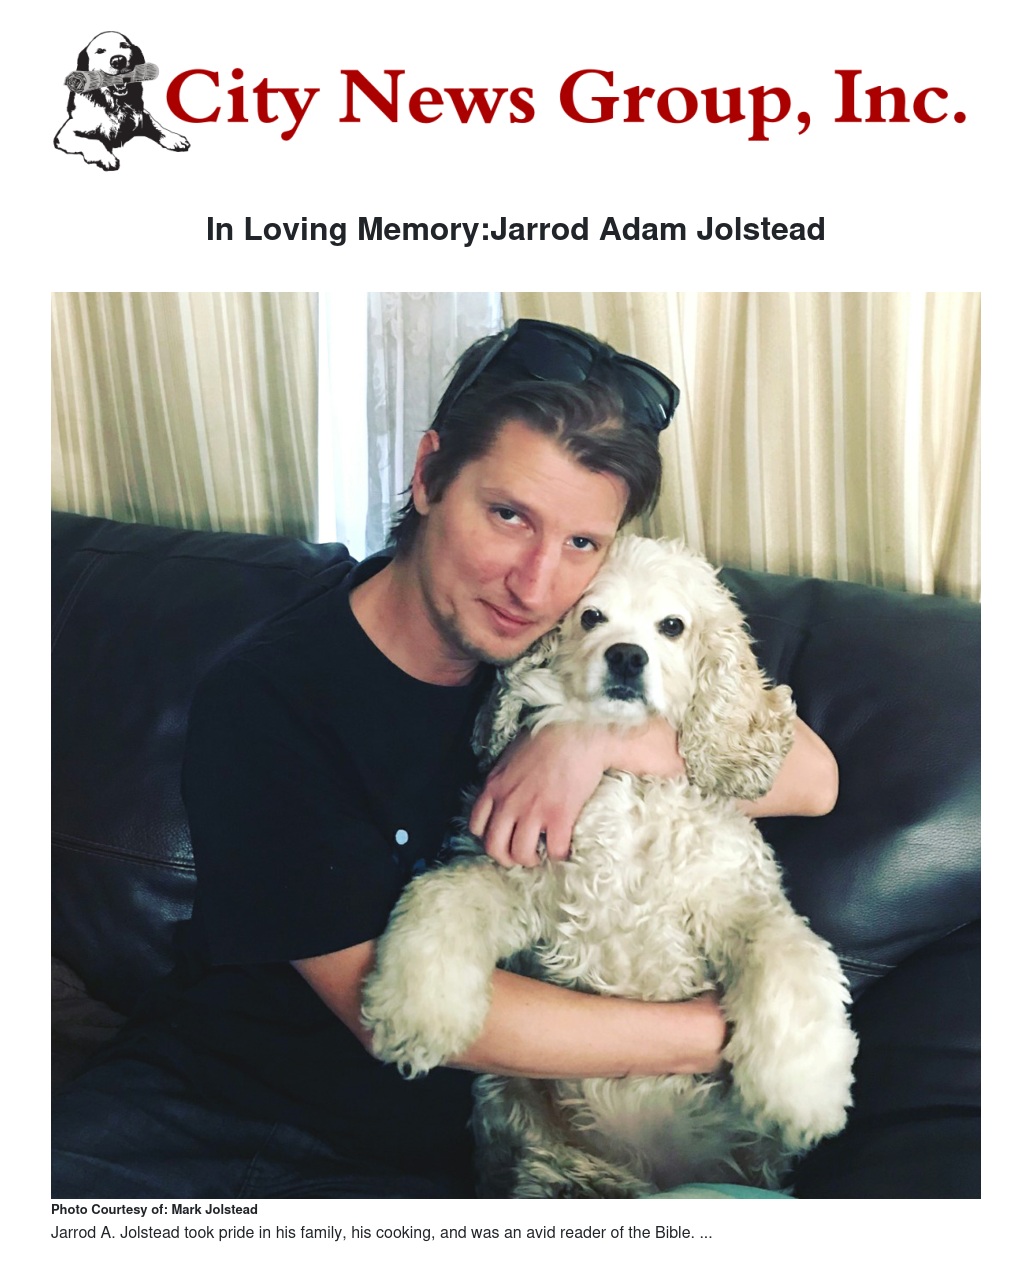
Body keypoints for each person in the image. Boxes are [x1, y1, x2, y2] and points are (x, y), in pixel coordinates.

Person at [51, 319, 837, 1199]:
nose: (535, 583)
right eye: (509, 516)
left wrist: (592, 738)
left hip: (451, 1146)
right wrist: (726, 1034)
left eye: (581, 543)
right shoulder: (271, 700)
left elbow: (813, 779)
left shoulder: (558, 652)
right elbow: (386, 1012)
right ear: (428, 476)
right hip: (227, 1110)